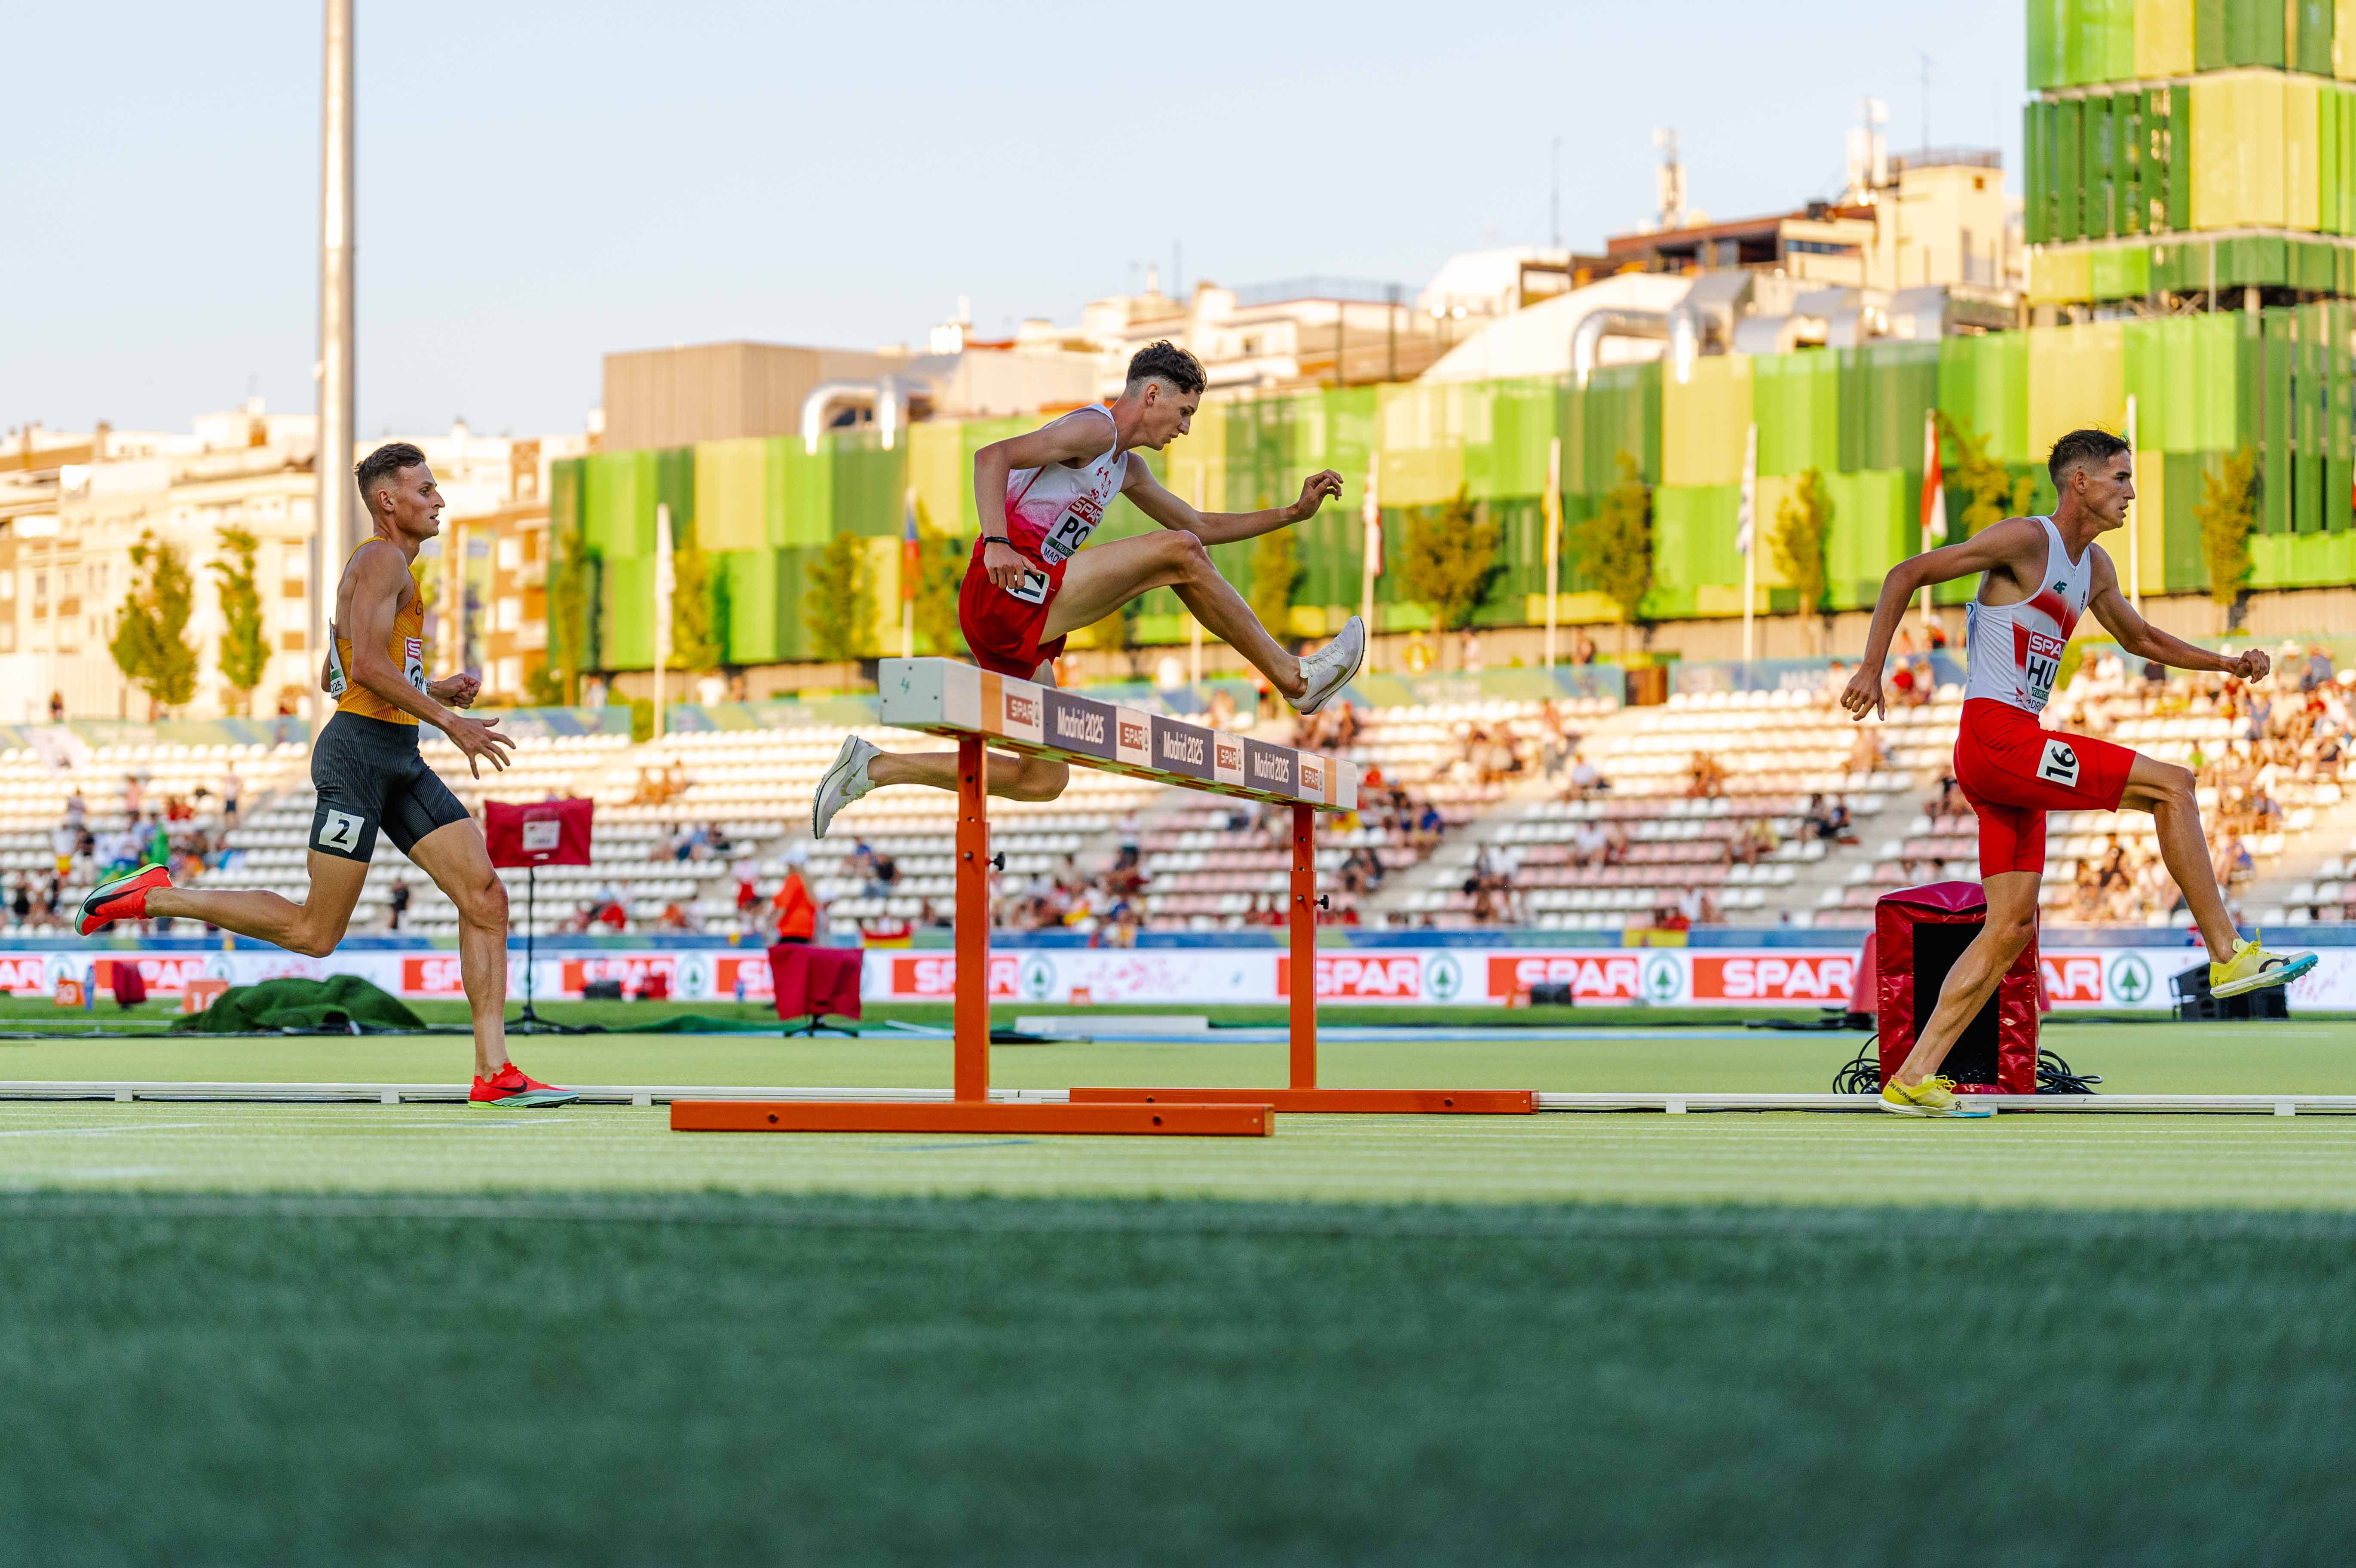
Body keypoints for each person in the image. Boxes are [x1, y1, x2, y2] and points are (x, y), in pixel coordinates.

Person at [73, 441, 574, 1108]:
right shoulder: (380, 559)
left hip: (396, 755)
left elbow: (338, 672)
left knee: (485, 899)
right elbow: (363, 669)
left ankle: (495, 1072)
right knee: (316, 933)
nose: (440, 500)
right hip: (359, 759)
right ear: (388, 500)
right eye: (425, 489)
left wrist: (436, 688)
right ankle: (157, 894)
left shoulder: (383, 569)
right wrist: (449, 721)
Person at [1845, 427, 2314, 1118]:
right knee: (2173, 784)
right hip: (1995, 739)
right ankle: (2227, 953)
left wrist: (2226, 664)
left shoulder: (2092, 568)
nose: (2131, 492)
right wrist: (1870, 667)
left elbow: (2142, 639)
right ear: (2081, 484)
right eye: (2121, 478)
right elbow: (1904, 575)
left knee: (2009, 929)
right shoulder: (2025, 542)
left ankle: (1913, 1076)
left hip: (2010, 750)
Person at [810, 342, 1365, 837]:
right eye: (1185, 411)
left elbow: (1201, 525)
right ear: (1152, 395)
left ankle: (875, 768)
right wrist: (998, 540)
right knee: (1178, 553)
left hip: (1024, 608)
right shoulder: (1096, 431)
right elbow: (991, 458)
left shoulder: (1125, 468)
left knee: (1043, 778)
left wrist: (1294, 513)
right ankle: (1295, 679)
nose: (1186, 427)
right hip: (1004, 588)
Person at [772, 844, 819, 944]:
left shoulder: (793, 880)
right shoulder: (806, 882)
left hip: (791, 928)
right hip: (806, 929)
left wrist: (772, 924)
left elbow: (784, 906)